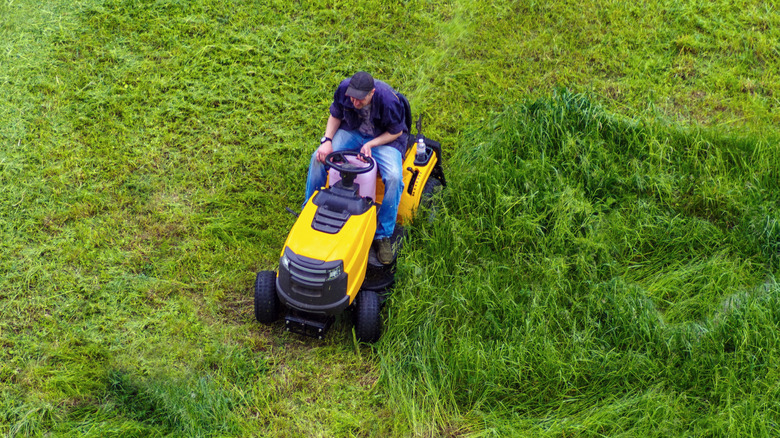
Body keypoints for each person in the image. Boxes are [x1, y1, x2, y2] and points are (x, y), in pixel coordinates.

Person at [304, 71, 408, 265]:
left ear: (372, 93)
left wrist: (371, 145)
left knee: (394, 177)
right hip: (353, 132)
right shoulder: (344, 89)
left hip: (383, 140)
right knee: (318, 158)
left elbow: (396, 132)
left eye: (360, 99)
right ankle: (308, 210)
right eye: (352, 97)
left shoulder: (388, 100)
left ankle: (382, 235)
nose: (355, 102)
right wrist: (326, 141)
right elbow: (335, 115)